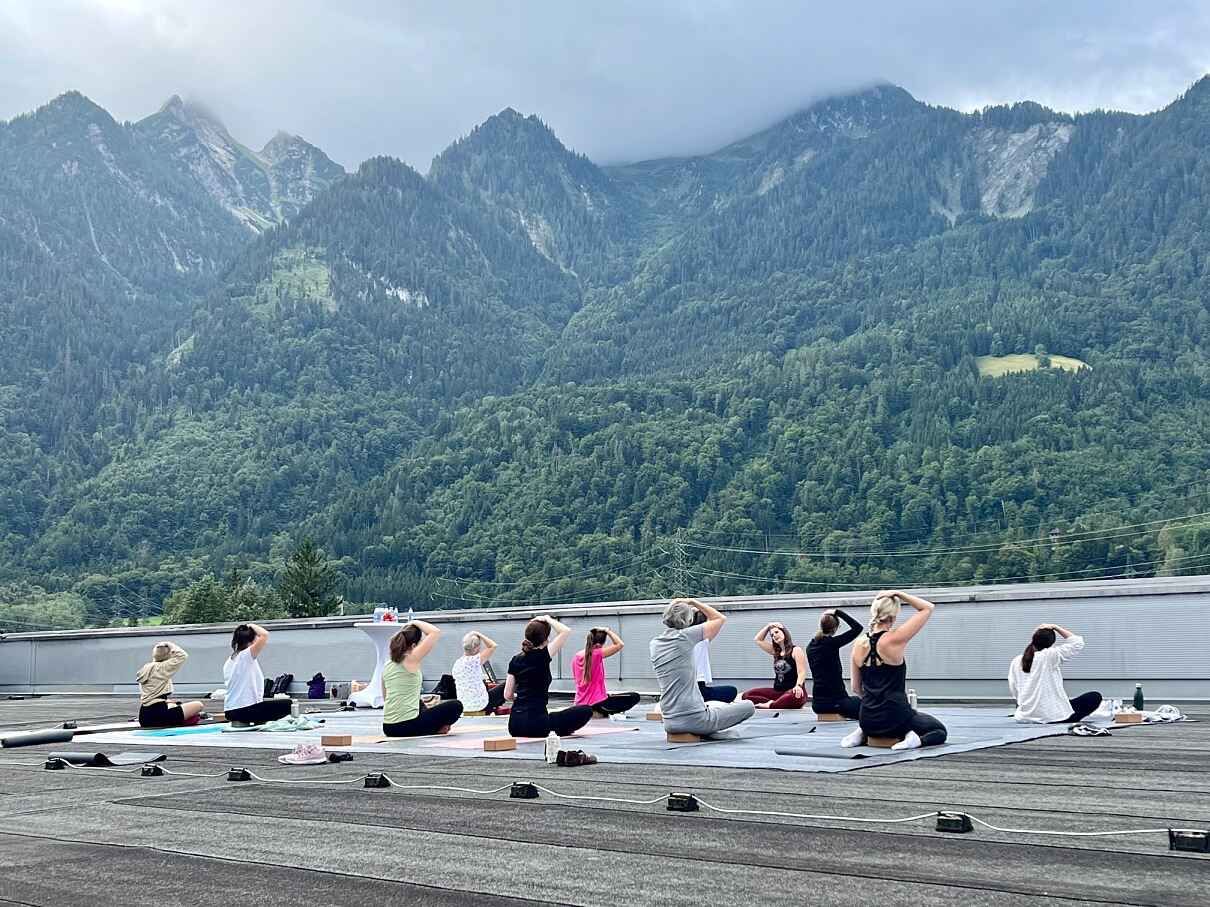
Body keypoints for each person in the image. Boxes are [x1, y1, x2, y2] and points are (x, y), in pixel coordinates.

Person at [845, 591, 947, 750]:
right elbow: (927, 608)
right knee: (939, 730)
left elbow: (855, 688)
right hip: (897, 718)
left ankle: (862, 732)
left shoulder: (858, 644)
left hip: (867, 718)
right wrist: (898, 593)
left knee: (872, 720)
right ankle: (914, 739)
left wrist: (875, 703)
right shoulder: (894, 639)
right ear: (892, 617)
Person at [650, 598, 756, 738]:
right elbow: (719, 618)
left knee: (711, 706)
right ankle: (707, 731)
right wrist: (694, 602)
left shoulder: (655, 643)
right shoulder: (686, 636)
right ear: (688, 620)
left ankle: (709, 732)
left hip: (669, 721)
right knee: (749, 706)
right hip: (695, 719)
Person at [505, 615, 593, 738]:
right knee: (586, 710)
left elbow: (507, 695)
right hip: (537, 725)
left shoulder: (515, 660)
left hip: (514, 725)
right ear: (546, 640)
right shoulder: (543, 655)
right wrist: (547, 618)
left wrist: (522, 698)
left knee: (554, 717)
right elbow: (566, 631)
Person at [383, 620, 464, 736]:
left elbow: (386, 696)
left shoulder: (387, 665)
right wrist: (413, 621)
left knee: (420, 703)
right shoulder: (410, 658)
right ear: (414, 646)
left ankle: (433, 727)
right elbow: (435, 632)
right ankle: (435, 729)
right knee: (456, 705)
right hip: (406, 725)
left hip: (388, 726)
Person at [1009, 624, 1102, 723]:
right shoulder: (1051, 655)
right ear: (1051, 643)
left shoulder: (1017, 660)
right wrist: (1055, 626)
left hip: (1024, 717)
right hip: (1052, 717)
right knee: (1094, 697)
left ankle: (1034, 711)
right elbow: (1077, 643)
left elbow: (1014, 688)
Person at [223, 623, 292, 726]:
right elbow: (264, 635)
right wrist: (249, 625)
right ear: (250, 642)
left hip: (230, 710)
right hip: (245, 710)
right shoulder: (246, 655)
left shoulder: (230, 660)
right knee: (290, 704)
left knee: (264, 707)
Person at [806, 609, 863, 719]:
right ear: (836, 628)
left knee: (853, 701)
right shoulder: (832, 644)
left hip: (817, 704)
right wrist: (838, 612)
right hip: (836, 702)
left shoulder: (810, 647)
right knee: (867, 706)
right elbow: (857, 628)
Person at [571, 627, 640, 716]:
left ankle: (592, 711)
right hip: (598, 703)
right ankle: (599, 712)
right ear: (599, 645)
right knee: (634, 696)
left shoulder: (576, 656)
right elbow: (620, 644)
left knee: (610, 697)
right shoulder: (596, 653)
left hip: (580, 703)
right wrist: (607, 630)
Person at [136, 641, 205, 728]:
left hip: (144, 715)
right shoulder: (162, 667)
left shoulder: (146, 667)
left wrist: (166, 702)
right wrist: (170, 644)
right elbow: (182, 656)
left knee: (172, 704)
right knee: (198, 705)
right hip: (159, 716)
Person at [742, 621, 809, 709]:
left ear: (784, 632)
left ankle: (771, 705)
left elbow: (802, 672)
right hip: (778, 692)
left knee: (794, 697)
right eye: (772, 635)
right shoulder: (775, 652)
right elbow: (758, 639)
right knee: (747, 695)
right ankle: (777, 703)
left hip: (794, 691)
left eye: (777, 632)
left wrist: (798, 686)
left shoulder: (796, 650)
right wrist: (768, 626)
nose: (775, 636)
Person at [451, 630, 506, 714]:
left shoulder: (457, 664)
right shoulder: (475, 660)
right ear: (476, 649)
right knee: (508, 684)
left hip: (464, 705)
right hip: (480, 704)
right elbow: (493, 646)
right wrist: (478, 634)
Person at [693, 619, 737, 703]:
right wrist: (696, 604)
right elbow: (719, 618)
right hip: (699, 690)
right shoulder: (700, 640)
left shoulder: (674, 640)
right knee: (732, 691)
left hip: (682, 689)